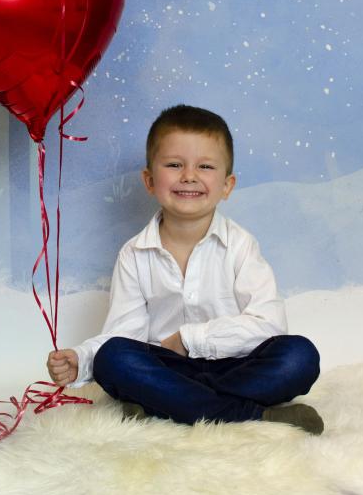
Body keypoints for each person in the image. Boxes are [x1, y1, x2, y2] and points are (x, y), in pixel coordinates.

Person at [47, 104, 323, 434]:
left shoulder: (241, 245)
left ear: (227, 185)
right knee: (112, 357)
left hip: (236, 367)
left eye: (205, 166)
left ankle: (167, 403)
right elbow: (124, 333)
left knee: (299, 356)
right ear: (150, 180)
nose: (189, 176)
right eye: (174, 165)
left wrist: (190, 339)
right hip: (167, 368)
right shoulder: (134, 254)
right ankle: (246, 413)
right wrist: (81, 359)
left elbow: (269, 325)